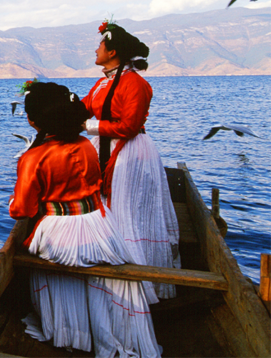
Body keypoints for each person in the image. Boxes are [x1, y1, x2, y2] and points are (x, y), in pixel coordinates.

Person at [10, 81, 160, 356]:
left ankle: (69, 331)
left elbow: (22, 210)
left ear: (32, 121)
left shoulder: (33, 158)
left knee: (39, 259)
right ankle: (103, 331)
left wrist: (14, 200)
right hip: (99, 224)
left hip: (60, 230)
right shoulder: (85, 145)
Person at [83, 20, 179, 301]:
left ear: (112, 52)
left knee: (126, 211)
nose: (96, 49)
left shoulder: (135, 83)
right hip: (105, 146)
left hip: (129, 153)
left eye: (100, 45)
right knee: (107, 205)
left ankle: (132, 283)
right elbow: (86, 106)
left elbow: (129, 126)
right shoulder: (104, 82)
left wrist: (90, 127)